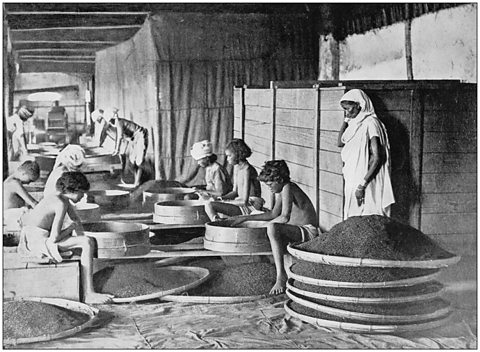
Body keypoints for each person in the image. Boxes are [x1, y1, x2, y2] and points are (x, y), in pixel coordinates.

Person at [18, 171, 114, 304]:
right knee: (87, 242)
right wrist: (72, 231)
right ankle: (89, 293)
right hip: (37, 242)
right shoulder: (60, 203)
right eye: (82, 193)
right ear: (74, 190)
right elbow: (54, 239)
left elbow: (76, 219)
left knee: (84, 241)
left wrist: (79, 237)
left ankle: (87, 281)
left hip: (34, 236)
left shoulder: (60, 198)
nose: (83, 197)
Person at [231, 160, 319, 295]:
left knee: (272, 228)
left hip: (308, 231)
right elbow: (273, 214)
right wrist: (245, 218)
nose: (269, 188)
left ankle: (281, 276)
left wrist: (262, 226)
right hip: (297, 230)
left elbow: (284, 217)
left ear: (279, 179)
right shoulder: (283, 189)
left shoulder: (288, 187)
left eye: (271, 184)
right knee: (265, 223)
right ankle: (273, 268)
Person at [337, 89, 395, 219]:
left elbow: (377, 157)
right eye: (344, 110)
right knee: (353, 218)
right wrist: (346, 120)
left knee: (368, 217)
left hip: (366, 178)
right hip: (353, 177)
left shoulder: (371, 123)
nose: (347, 112)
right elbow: (340, 142)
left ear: (359, 105)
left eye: (349, 108)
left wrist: (362, 185)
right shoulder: (354, 124)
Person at [205, 139, 263, 221]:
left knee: (209, 205)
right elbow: (235, 192)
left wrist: (226, 202)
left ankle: (217, 224)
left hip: (251, 205)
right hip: (240, 202)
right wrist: (221, 198)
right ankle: (217, 222)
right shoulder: (236, 167)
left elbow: (244, 201)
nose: (227, 159)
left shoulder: (247, 170)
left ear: (237, 154)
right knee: (210, 202)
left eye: (229, 156)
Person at [91, 108, 148, 187]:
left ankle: (138, 182)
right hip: (133, 139)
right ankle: (136, 182)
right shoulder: (111, 124)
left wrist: (117, 150)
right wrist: (99, 144)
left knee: (139, 161)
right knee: (132, 161)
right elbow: (104, 133)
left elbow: (119, 137)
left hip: (140, 135)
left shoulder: (119, 123)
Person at [3, 160, 41, 237]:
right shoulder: (14, 183)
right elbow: (33, 202)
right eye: (30, 180)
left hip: (10, 216)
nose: (29, 183)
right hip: (10, 216)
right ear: (23, 174)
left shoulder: (9, 181)